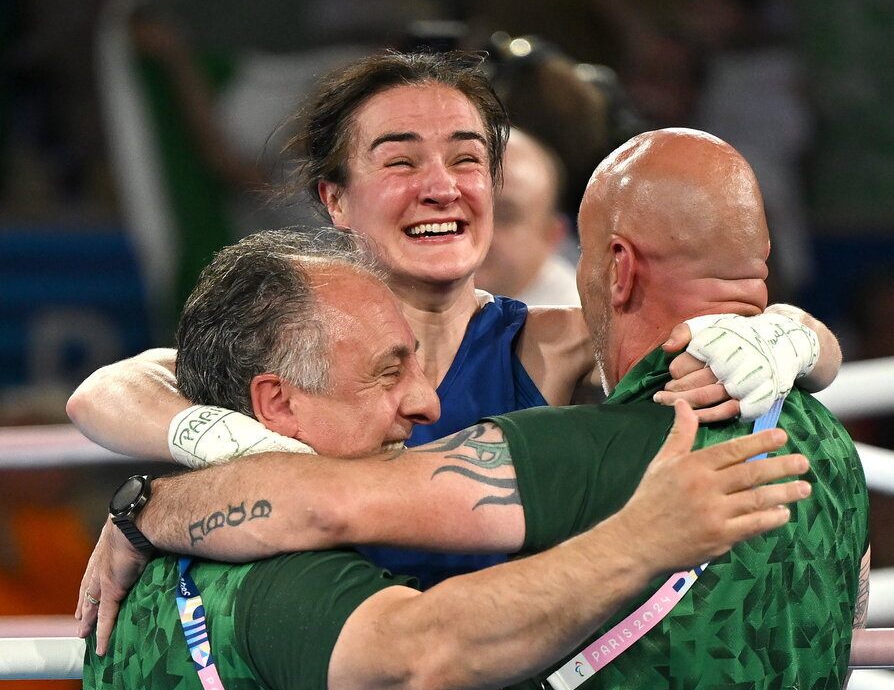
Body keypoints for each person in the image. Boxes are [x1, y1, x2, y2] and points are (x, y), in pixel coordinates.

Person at [80, 131, 869, 690]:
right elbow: (428, 657)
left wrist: (147, 509)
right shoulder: (829, 452)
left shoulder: (594, 453)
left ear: (615, 266)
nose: (425, 404)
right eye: (391, 371)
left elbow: (352, 543)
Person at [67, 49, 842, 591]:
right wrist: (213, 451)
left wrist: (792, 335)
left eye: (467, 159)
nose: (442, 186)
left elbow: (750, 337)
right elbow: (105, 391)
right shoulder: (288, 349)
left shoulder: (554, 341)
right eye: (400, 161)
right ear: (335, 199)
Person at [475, 127, 580, 306]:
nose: (475, 229)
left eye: (504, 216)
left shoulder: (580, 327)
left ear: (551, 236)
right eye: (463, 207)